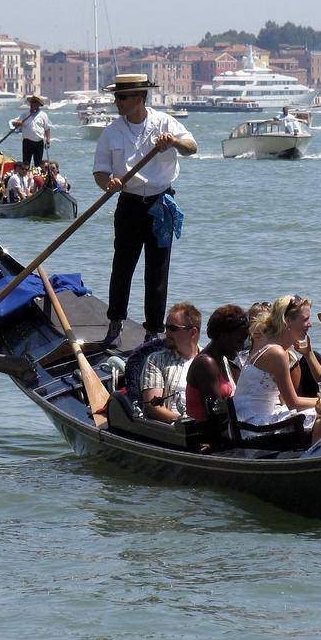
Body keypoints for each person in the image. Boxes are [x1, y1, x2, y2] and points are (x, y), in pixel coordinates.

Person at [94, 74, 198, 346]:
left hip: (159, 204)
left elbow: (192, 147)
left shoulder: (165, 123)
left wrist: (173, 141)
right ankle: (115, 324)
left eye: (121, 97)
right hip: (128, 204)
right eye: (116, 97)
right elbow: (100, 172)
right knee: (122, 266)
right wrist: (110, 184)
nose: (116, 102)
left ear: (139, 98)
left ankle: (153, 331)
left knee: (157, 271)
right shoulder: (111, 132)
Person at [234, 295, 320, 429]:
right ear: (288, 322)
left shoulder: (267, 343)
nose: (310, 324)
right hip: (253, 426)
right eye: (305, 319)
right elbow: (293, 403)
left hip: (245, 420)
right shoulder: (277, 353)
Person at [139, 302, 203, 423]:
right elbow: (153, 407)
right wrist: (188, 424)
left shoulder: (211, 360)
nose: (167, 333)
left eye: (173, 328)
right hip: (173, 428)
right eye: (166, 327)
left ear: (193, 332)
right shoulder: (156, 360)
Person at [186, 304, 250, 424]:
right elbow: (217, 414)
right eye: (239, 341)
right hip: (205, 435)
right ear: (223, 336)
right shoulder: (205, 363)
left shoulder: (223, 360)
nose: (241, 346)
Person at [11, 95, 53, 167]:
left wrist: (48, 141)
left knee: (38, 164)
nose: (33, 104)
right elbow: (14, 123)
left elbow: (47, 129)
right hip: (27, 142)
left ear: (39, 105)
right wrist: (17, 123)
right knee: (26, 163)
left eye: (36, 103)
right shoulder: (24, 115)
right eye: (32, 102)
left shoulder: (43, 115)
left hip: (39, 142)